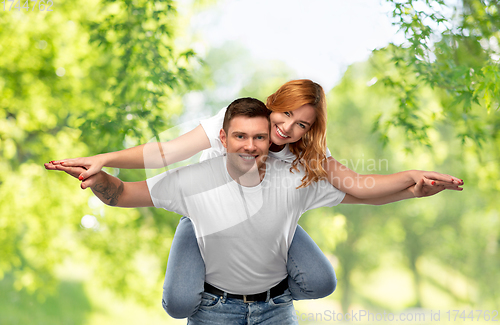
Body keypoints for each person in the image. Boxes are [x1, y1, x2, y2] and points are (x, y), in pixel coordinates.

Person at [47, 80, 463, 318]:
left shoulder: (306, 157)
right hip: (205, 216)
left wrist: (412, 182)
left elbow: (357, 187)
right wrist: (105, 159)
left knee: (317, 276)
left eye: (302, 124)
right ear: (271, 105)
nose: (288, 129)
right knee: (178, 299)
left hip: (273, 219)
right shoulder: (231, 121)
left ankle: (268, 279)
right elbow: (164, 153)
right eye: (284, 116)